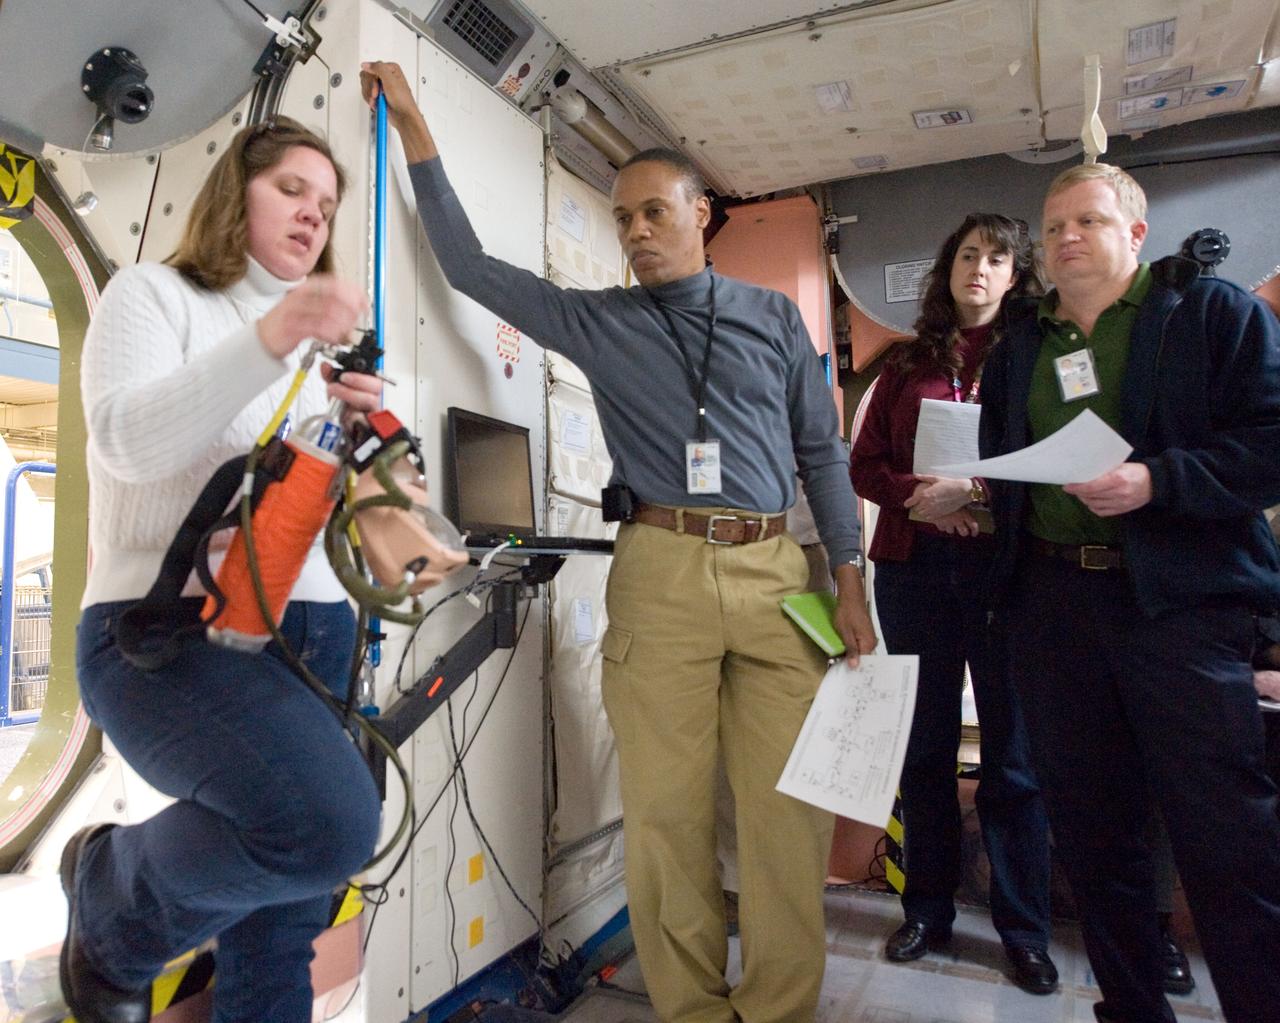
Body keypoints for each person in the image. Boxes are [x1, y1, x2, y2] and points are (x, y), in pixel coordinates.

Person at [361, 59, 877, 1023]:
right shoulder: (598, 322)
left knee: (784, 817)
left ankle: (775, 1009)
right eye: (624, 218)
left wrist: (850, 579)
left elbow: (821, 453)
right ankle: (690, 1008)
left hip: (775, 573)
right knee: (666, 818)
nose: (637, 232)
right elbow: (471, 268)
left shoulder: (775, 320)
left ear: (702, 213)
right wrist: (414, 126)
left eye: (655, 213)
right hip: (661, 570)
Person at [62, 117, 384, 1023]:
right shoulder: (153, 295)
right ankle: (110, 895)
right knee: (327, 826)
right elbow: (128, 444)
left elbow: (319, 523)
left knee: (283, 930)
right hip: (167, 633)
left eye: (325, 206)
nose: (312, 216)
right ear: (233, 192)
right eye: (291, 189)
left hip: (313, 635)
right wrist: (271, 336)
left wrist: (363, 448)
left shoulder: (319, 356)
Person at [979, 161, 1280, 1023]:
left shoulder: (1212, 314)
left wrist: (1159, 481)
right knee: (1092, 831)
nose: (1066, 238)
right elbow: (1016, 466)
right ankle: (1131, 1007)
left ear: (1135, 234)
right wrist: (972, 494)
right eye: (1054, 225)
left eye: (1089, 221)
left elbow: (1270, 440)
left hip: (1180, 611)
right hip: (1056, 612)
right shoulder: (1023, 344)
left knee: (1225, 837)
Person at [850, 213, 1057, 994]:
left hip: (1005, 571)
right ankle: (926, 912)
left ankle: (1024, 932)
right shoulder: (904, 364)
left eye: (996, 257)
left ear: (1015, 275)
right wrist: (919, 499)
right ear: (948, 269)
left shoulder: (1035, 355)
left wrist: (974, 493)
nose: (980, 267)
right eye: (968, 253)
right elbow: (865, 464)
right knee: (925, 750)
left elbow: (1050, 461)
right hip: (914, 569)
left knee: (1013, 757)